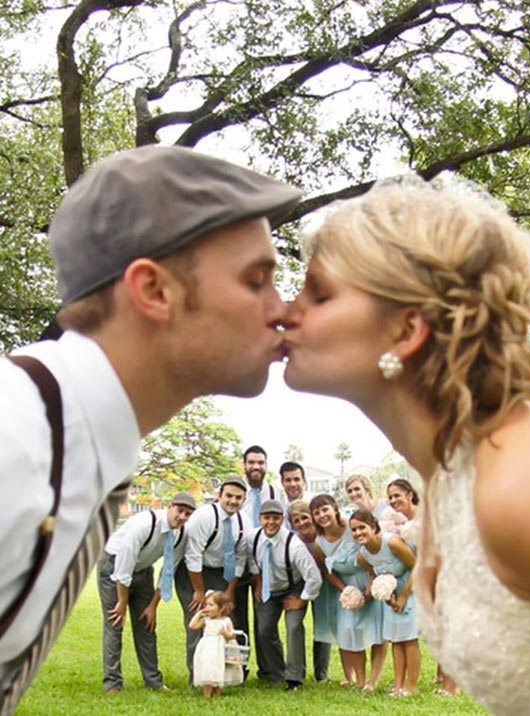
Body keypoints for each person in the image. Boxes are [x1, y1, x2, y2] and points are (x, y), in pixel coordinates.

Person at [0, 144, 301, 712]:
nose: (282, 309)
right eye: (257, 280)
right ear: (155, 291)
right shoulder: (14, 443)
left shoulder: (77, 439)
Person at [283, 175, 530, 714]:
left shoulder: (524, 485)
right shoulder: (451, 479)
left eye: (318, 294)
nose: (287, 312)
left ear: (407, 330)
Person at [97, 492, 195, 692]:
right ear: (169, 506)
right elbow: (123, 568)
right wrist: (122, 602)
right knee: (115, 623)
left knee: (146, 624)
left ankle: (153, 681)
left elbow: (168, 572)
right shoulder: (143, 524)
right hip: (114, 567)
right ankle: (113, 683)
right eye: (180, 511)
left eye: (187, 514)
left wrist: (152, 606)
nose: (182, 517)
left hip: (143, 571)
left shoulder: (180, 533)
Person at [174, 476, 249, 682]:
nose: (233, 501)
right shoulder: (205, 516)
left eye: (238, 498)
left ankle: (224, 676)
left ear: (244, 500)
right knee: (198, 620)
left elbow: (241, 558)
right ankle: (197, 677)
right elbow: (193, 554)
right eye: (229, 496)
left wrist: (230, 589)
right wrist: (198, 591)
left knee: (223, 622)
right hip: (192, 572)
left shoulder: (244, 522)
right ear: (219, 496)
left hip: (221, 572)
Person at [309, 494, 385, 691]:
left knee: (378, 632)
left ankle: (373, 681)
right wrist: (347, 591)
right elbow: (327, 573)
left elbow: (372, 552)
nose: (322, 515)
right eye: (316, 512)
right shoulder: (319, 543)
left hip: (369, 579)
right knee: (350, 633)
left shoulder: (352, 530)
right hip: (344, 588)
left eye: (325, 509)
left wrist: (371, 582)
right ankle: (360, 681)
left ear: (335, 509)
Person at [249, 500, 322, 690]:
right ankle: (276, 673)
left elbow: (314, 577)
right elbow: (249, 559)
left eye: (275, 518)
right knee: (264, 630)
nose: (271, 522)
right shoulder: (254, 537)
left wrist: (302, 599)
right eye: (266, 518)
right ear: (260, 519)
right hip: (268, 588)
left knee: (293, 627)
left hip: (294, 588)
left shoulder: (294, 545)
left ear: (282, 520)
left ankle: (294, 678)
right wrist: (257, 582)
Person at [350, 509, 420, 697]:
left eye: (361, 528)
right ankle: (398, 686)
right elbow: (374, 574)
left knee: (409, 639)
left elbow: (417, 567)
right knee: (396, 639)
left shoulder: (392, 543)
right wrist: (374, 594)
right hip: (390, 595)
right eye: (354, 530)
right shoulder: (362, 555)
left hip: (410, 589)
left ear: (373, 526)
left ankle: (411, 686)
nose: (358, 533)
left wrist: (404, 596)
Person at [235, 445, 279, 676]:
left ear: (266, 466)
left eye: (260, 463)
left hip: (265, 564)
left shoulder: (273, 492)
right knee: (236, 620)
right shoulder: (234, 492)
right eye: (251, 462)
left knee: (265, 621)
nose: (256, 467)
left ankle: (268, 670)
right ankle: (239, 669)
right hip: (237, 564)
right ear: (244, 464)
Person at [287, 501, 331, 683]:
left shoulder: (324, 538)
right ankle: (297, 673)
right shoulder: (292, 543)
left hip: (325, 586)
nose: (302, 523)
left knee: (322, 627)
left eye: (305, 517)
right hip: (298, 586)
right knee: (294, 624)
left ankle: (321, 673)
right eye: (296, 520)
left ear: (313, 517)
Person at [188, 590, 243, 698]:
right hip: (207, 649)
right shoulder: (206, 620)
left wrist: (225, 633)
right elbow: (192, 626)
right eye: (206, 604)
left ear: (221, 608)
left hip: (219, 651)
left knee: (217, 670)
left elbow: (232, 635)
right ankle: (207, 694)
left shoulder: (226, 620)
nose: (207, 607)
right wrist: (199, 614)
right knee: (207, 669)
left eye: (211, 605)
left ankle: (217, 693)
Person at [279, 461, 311, 527]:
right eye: (288, 480)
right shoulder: (279, 507)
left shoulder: (313, 504)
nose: (293, 484)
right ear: (282, 482)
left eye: (296, 479)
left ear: (304, 481)